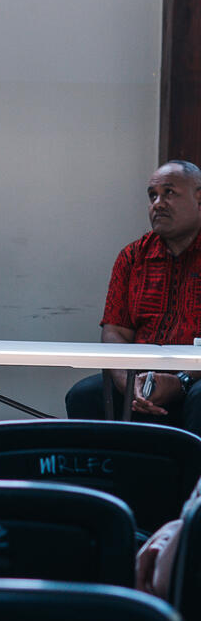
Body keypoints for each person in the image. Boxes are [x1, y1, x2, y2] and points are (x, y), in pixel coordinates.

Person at [65, 159, 201, 433]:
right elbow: (115, 331)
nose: (158, 204)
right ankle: (106, 476)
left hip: (196, 377)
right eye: (153, 196)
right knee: (84, 395)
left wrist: (183, 380)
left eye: (170, 193)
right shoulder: (133, 257)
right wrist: (129, 385)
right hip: (139, 377)